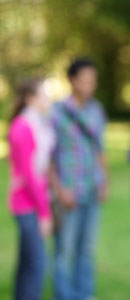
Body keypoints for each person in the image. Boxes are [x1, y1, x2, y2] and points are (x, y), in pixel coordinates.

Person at [50, 58, 107, 300]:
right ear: (72, 80)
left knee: (86, 249)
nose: (88, 85)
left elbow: (99, 150)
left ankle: (84, 295)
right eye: (84, 79)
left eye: (92, 80)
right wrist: (59, 189)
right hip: (68, 192)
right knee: (65, 250)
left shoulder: (97, 110)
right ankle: (65, 295)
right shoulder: (56, 112)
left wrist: (104, 181)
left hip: (92, 190)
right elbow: (47, 156)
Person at [7, 78, 55, 300]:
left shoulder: (34, 124)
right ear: (31, 99)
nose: (48, 99)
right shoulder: (23, 127)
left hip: (29, 202)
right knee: (36, 263)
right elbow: (29, 175)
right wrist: (44, 213)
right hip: (27, 204)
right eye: (43, 95)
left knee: (27, 261)